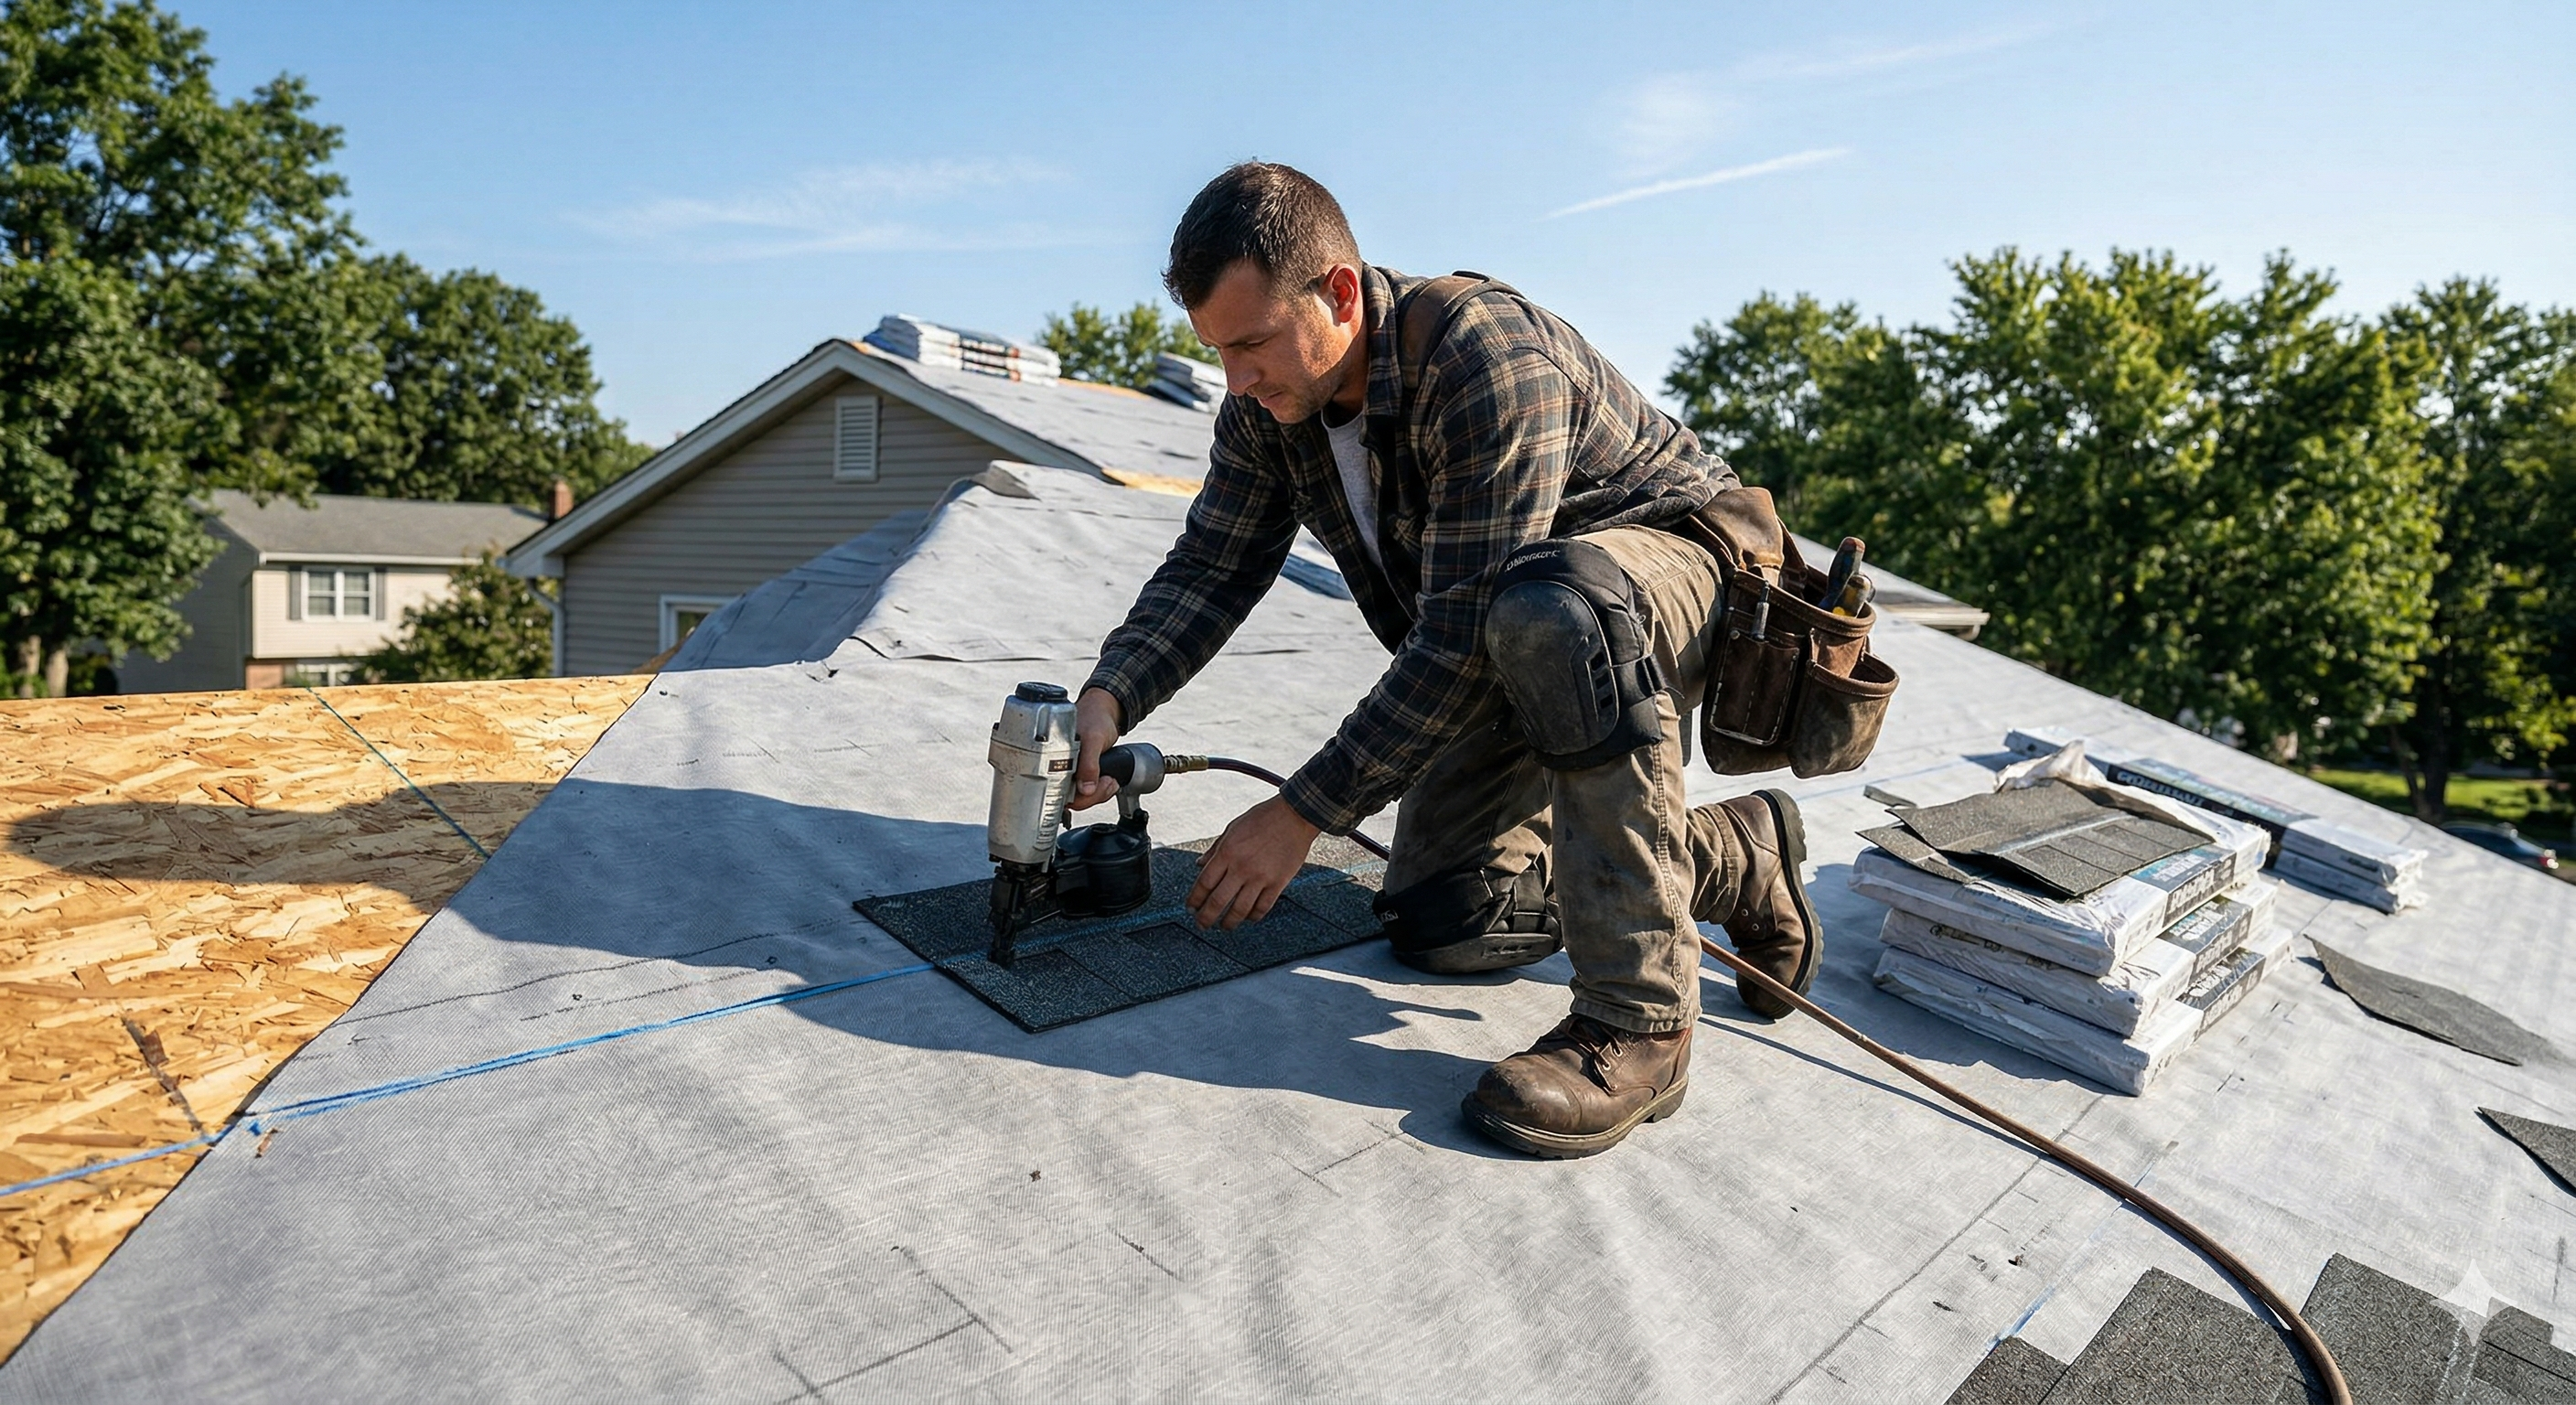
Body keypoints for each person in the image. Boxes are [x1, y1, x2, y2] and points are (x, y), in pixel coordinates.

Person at [1071, 162, 1822, 1158]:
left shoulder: (1482, 358)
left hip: (1672, 595)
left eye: (1250, 344)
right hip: (1524, 645)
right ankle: (1734, 855)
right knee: (1445, 918)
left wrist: (1299, 815)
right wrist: (1110, 693)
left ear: (1339, 292)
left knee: (1552, 603)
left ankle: (1640, 1025)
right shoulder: (1267, 408)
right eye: (1217, 353)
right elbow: (1212, 566)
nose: (1235, 380)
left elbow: (1463, 633)